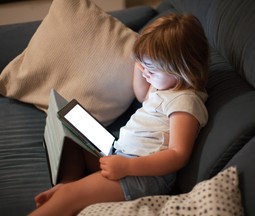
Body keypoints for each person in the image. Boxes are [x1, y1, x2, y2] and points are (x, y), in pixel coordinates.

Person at [29, 13, 209, 216]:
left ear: (181, 70)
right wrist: (140, 63)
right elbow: (141, 95)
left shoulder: (185, 102)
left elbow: (178, 155)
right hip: (120, 155)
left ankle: (70, 196)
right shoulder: (164, 86)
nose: (145, 74)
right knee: (73, 141)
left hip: (143, 175)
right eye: (143, 66)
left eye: (151, 69)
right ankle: (71, 187)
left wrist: (129, 166)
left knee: (68, 196)